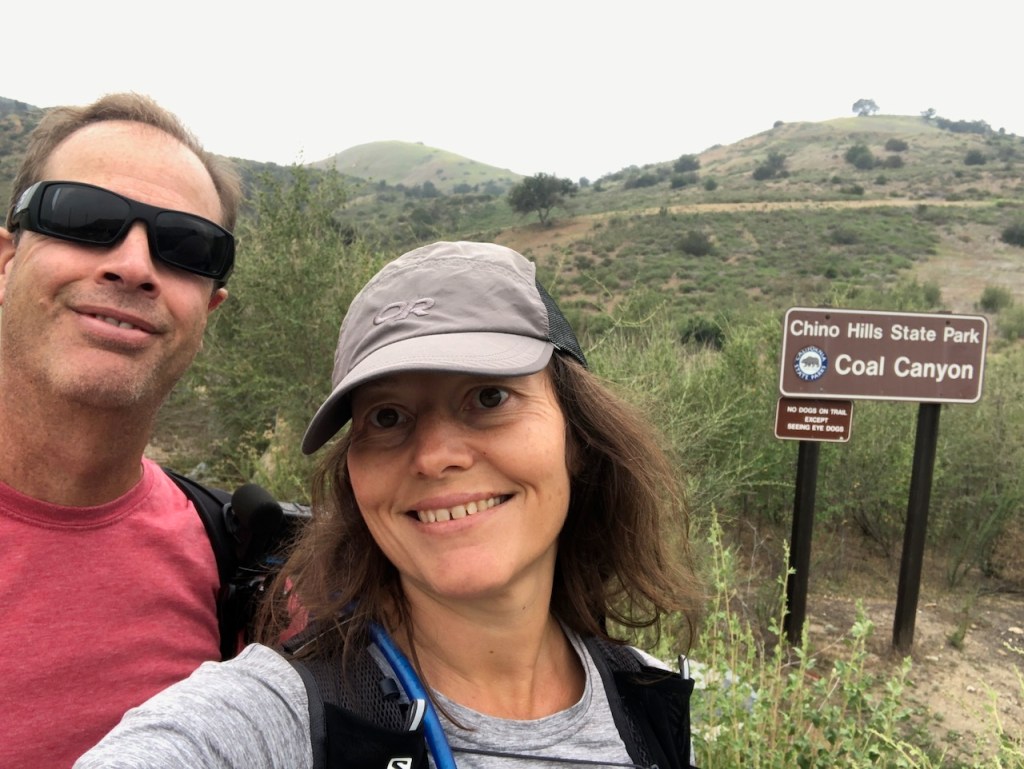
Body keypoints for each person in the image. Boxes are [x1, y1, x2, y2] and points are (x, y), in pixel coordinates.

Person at [74, 241, 703, 769]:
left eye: (489, 398)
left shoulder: (646, 698)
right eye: (388, 416)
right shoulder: (278, 717)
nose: (434, 456)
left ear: (578, 439)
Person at [0, 92, 241, 769]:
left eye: (186, 247)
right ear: (6, 262)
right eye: (84, 218)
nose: (134, 266)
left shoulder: (238, 565)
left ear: (208, 311)